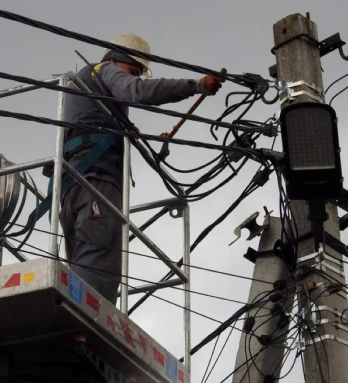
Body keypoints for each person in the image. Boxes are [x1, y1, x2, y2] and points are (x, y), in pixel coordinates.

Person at [59, 33, 224, 305]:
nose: (135, 77)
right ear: (117, 59)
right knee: (97, 256)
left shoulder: (91, 94)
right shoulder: (106, 70)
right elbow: (138, 91)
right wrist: (195, 85)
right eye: (134, 70)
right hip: (95, 179)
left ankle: (88, 322)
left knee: (99, 259)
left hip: (75, 183)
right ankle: (80, 319)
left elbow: (101, 125)